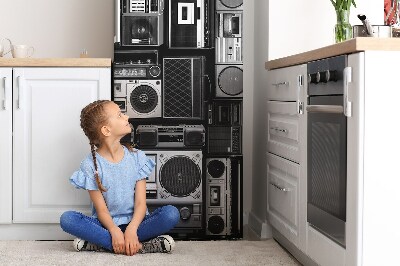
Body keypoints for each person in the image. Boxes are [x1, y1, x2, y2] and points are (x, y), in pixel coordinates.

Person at [60, 100, 180, 256]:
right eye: (119, 115)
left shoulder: (137, 157)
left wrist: (132, 229)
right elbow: (102, 210)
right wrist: (114, 230)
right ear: (106, 130)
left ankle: (105, 244)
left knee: (171, 214)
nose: (126, 116)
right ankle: (141, 246)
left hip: (138, 223)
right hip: (106, 225)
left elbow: (140, 203)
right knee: (67, 219)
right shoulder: (90, 165)